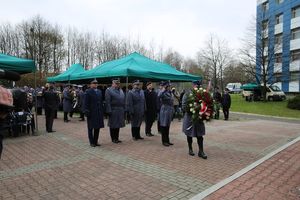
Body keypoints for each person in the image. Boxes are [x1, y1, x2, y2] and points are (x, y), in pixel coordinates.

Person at [182, 80, 207, 159]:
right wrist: (191, 109)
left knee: (200, 135)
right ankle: (190, 149)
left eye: (199, 86)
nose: (197, 87)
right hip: (190, 117)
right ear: (193, 85)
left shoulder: (202, 94)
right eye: (196, 85)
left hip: (198, 118)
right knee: (189, 134)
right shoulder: (187, 94)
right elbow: (183, 105)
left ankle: (201, 151)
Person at [84, 79, 104, 147]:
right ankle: (91, 142)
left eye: (96, 83)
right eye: (94, 83)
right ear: (91, 84)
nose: (95, 84)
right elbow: (86, 103)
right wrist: (86, 111)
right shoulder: (88, 91)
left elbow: (101, 102)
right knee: (90, 128)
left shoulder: (99, 91)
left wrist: (102, 111)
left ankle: (96, 141)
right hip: (91, 112)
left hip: (98, 112)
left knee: (97, 127)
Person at [105, 78, 125, 143]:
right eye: (116, 83)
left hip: (120, 110)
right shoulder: (109, 90)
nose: (117, 85)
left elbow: (123, 100)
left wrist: (123, 109)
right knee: (113, 125)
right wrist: (109, 111)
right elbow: (107, 102)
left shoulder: (121, 90)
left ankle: (117, 138)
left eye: (118, 83)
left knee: (118, 125)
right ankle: (113, 138)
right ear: (112, 83)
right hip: (113, 110)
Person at [159, 81, 174, 147]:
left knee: (167, 126)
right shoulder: (163, 92)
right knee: (164, 126)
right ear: (166, 86)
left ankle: (167, 140)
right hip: (164, 110)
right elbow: (159, 96)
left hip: (169, 110)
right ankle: (164, 141)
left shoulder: (169, 92)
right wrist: (163, 89)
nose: (170, 87)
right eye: (168, 86)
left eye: (170, 86)